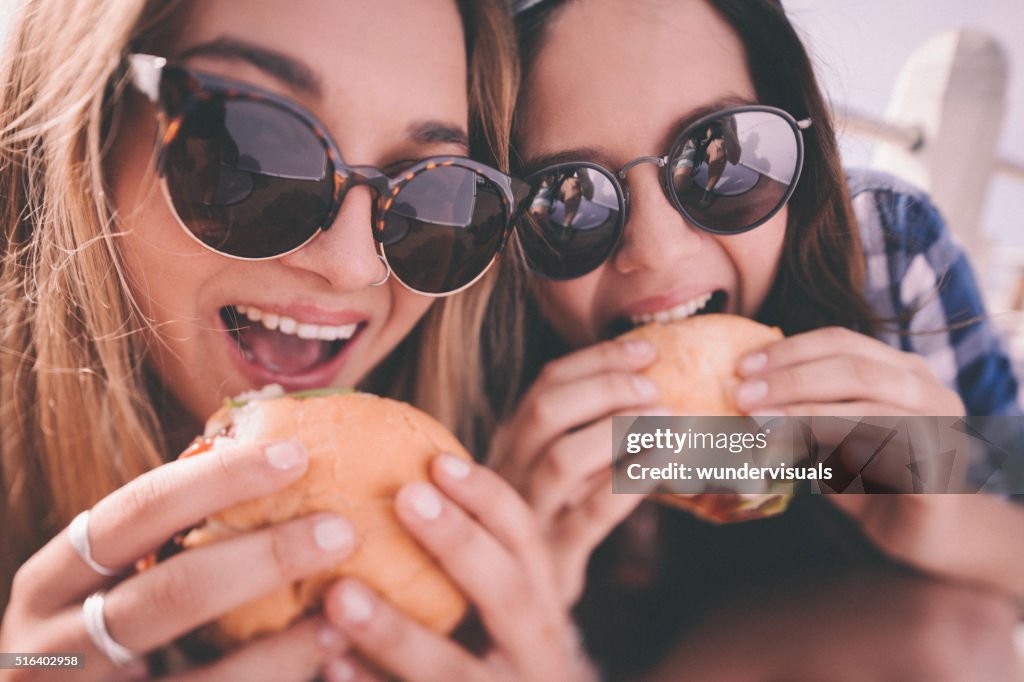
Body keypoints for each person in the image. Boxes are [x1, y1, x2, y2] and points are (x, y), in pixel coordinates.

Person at [0, 2, 587, 680]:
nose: (353, 265)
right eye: (256, 151)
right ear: (84, 125)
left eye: (438, 194)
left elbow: (737, 478)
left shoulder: (552, 482)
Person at [477, 0, 1024, 678]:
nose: (655, 251)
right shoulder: (468, 352)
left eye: (722, 158)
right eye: (566, 197)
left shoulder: (884, 255)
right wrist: (521, 607)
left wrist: (944, 520)